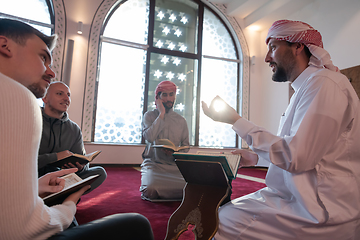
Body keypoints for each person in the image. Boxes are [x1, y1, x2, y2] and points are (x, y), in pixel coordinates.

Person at [202, 19, 360, 240]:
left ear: (298, 46)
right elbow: (309, 153)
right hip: (300, 198)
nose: (267, 57)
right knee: (223, 214)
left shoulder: (325, 83)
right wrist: (257, 158)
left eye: (273, 47)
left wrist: (236, 120)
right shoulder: (307, 87)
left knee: (220, 222)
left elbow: (298, 157)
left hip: (321, 209)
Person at [0, 18, 153, 240]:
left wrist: (41, 183)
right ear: (5, 45)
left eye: (68, 94)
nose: (50, 72)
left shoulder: (73, 128)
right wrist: (69, 205)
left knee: (95, 173)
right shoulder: (17, 98)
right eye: (43, 57)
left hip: (52, 178)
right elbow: (21, 230)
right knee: (137, 224)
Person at [38, 81, 107, 194]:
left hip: (60, 179)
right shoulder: (31, 120)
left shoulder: (74, 129)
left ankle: (53, 197)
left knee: (99, 172)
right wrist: (55, 157)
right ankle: (61, 198)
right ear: (45, 98)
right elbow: (20, 162)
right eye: (60, 94)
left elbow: (84, 163)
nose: (66, 98)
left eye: (68, 95)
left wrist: (80, 167)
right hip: (33, 178)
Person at [140, 80, 190, 200]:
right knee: (151, 190)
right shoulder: (149, 116)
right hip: (154, 165)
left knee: (190, 189)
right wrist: (161, 114)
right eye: (165, 95)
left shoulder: (181, 121)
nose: (168, 99)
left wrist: (176, 153)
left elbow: (186, 146)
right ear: (158, 97)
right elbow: (150, 137)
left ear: (175, 97)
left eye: (171, 94)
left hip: (175, 166)